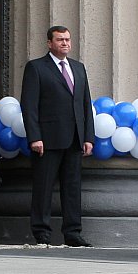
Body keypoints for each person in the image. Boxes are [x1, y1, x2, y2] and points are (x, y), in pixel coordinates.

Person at [20, 25, 95, 246]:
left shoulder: (78, 68)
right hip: (47, 139)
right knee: (43, 188)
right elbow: (29, 105)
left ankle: (73, 232)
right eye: (60, 39)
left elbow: (85, 105)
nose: (65, 43)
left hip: (74, 139)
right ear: (49, 43)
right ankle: (41, 232)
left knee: (72, 188)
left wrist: (88, 137)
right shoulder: (36, 68)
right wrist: (34, 136)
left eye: (68, 40)